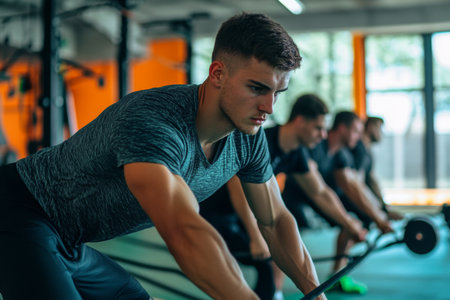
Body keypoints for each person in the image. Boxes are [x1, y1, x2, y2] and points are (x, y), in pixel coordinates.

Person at [0, 13, 327, 300]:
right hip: (17, 210)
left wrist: (316, 295)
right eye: (257, 88)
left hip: (68, 240)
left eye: (277, 93)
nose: (269, 108)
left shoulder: (247, 137)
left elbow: (275, 220)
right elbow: (183, 228)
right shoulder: (154, 123)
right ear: (217, 74)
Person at [263, 95, 367, 298]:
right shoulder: (262, 142)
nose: (323, 135)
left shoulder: (298, 152)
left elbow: (319, 191)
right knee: (279, 236)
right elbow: (238, 188)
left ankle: (278, 293)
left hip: (260, 209)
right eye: (318, 128)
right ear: (300, 121)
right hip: (220, 212)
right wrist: (255, 231)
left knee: (280, 239)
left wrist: (350, 223)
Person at [284, 111, 393, 295]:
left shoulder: (342, 154)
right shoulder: (315, 147)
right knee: (284, 241)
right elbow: (318, 189)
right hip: (297, 198)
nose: (359, 137)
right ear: (342, 128)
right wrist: (377, 218)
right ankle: (275, 292)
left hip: (320, 198)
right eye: (357, 131)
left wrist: (381, 214)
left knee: (352, 224)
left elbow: (354, 186)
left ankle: (338, 275)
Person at [200, 176, 274, 300]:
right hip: (213, 222)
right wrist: (256, 238)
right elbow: (240, 198)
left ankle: (276, 295)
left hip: (227, 220)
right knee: (230, 274)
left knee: (266, 265)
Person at [351, 116, 403, 220]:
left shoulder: (368, 152)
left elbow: (371, 179)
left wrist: (384, 207)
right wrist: (377, 210)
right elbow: (357, 183)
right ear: (370, 127)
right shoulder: (359, 149)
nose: (381, 133)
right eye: (379, 128)